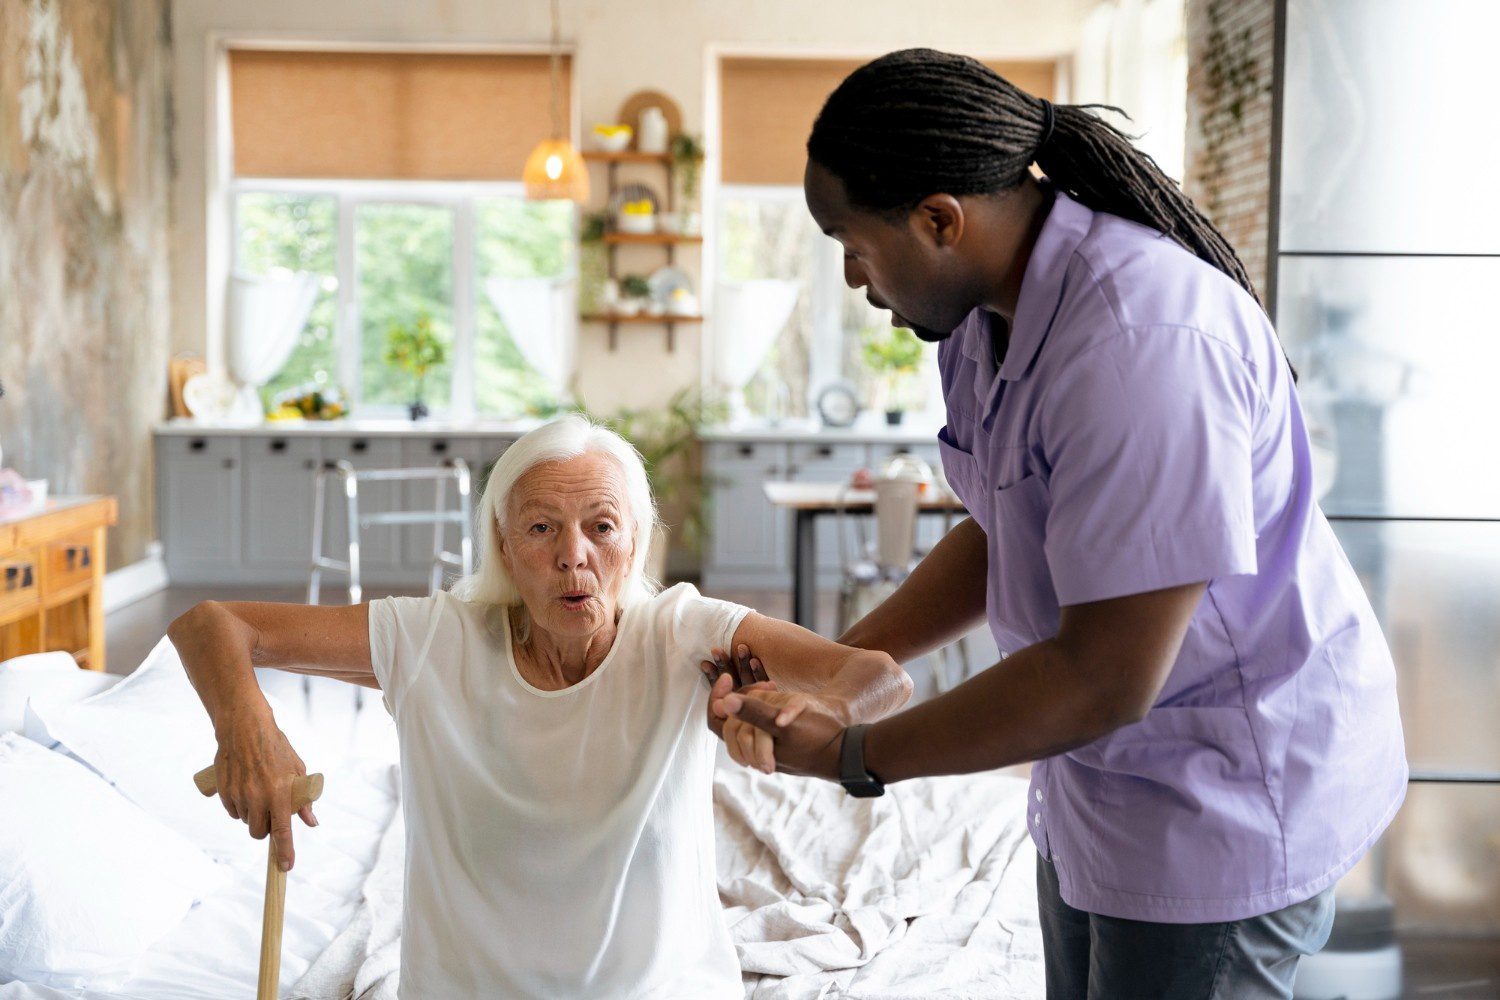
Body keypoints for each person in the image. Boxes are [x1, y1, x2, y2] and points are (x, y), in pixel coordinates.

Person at [715, 48, 1407, 1000]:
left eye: (853, 245)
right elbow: (1009, 521)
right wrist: (844, 668)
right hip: (1104, 783)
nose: (850, 278)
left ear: (939, 220)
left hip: (1220, 796)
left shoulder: (1140, 347)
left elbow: (1103, 675)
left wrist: (854, 758)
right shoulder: (977, 321)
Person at [169, 415, 911, 999]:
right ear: (503, 543)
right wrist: (250, 729)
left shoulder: (682, 632)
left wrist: (794, 712)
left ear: (638, 540)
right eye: (541, 528)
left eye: (601, 526)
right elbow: (214, 625)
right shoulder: (435, 640)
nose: (573, 556)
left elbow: (876, 677)